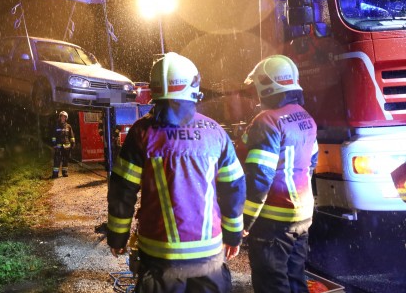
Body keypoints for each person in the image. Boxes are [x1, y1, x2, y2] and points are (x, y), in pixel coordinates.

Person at [107, 52, 246, 293]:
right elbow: (234, 187)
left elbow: (122, 190)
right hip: (209, 259)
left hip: (160, 259)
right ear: (194, 86)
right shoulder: (215, 132)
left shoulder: (141, 133)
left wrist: (118, 237)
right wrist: (233, 235)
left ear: (155, 89)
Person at [241, 54, 319, 293]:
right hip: (302, 218)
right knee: (295, 279)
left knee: (271, 283)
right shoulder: (305, 117)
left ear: (265, 86)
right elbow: (311, 162)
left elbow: (259, 178)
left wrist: (244, 221)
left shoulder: (266, 121)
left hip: (273, 222)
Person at [51, 110, 75, 178]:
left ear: (66, 118)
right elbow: (53, 137)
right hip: (58, 147)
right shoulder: (56, 126)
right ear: (60, 117)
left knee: (65, 160)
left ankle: (65, 172)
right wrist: (54, 144)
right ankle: (55, 174)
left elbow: (72, 136)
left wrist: (73, 144)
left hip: (66, 147)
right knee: (57, 160)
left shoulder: (68, 126)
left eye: (64, 117)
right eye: (61, 116)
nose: (63, 118)